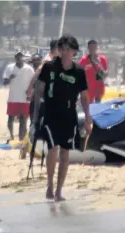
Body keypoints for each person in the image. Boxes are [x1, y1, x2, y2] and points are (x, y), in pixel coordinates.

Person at [32, 34, 92, 201]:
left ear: (74, 51)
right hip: (51, 112)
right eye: (62, 49)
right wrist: (36, 117)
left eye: (68, 49)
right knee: (53, 149)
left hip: (69, 114)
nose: (64, 52)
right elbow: (39, 91)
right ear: (58, 50)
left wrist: (88, 119)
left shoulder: (79, 71)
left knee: (65, 153)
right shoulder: (49, 67)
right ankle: (50, 185)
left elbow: (84, 97)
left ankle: (59, 191)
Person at [3, 51, 34, 141]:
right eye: (17, 56)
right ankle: (11, 135)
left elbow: (33, 82)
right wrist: (10, 78)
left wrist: (30, 93)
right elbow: (4, 82)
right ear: (15, 57)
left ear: (23, 57)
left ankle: (22, 138)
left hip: (24, 98)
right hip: (13, 98)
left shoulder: (29, 68)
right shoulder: (10, 67)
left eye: (21, 56)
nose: (19, 58)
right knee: (10, 119)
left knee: (23, 119)